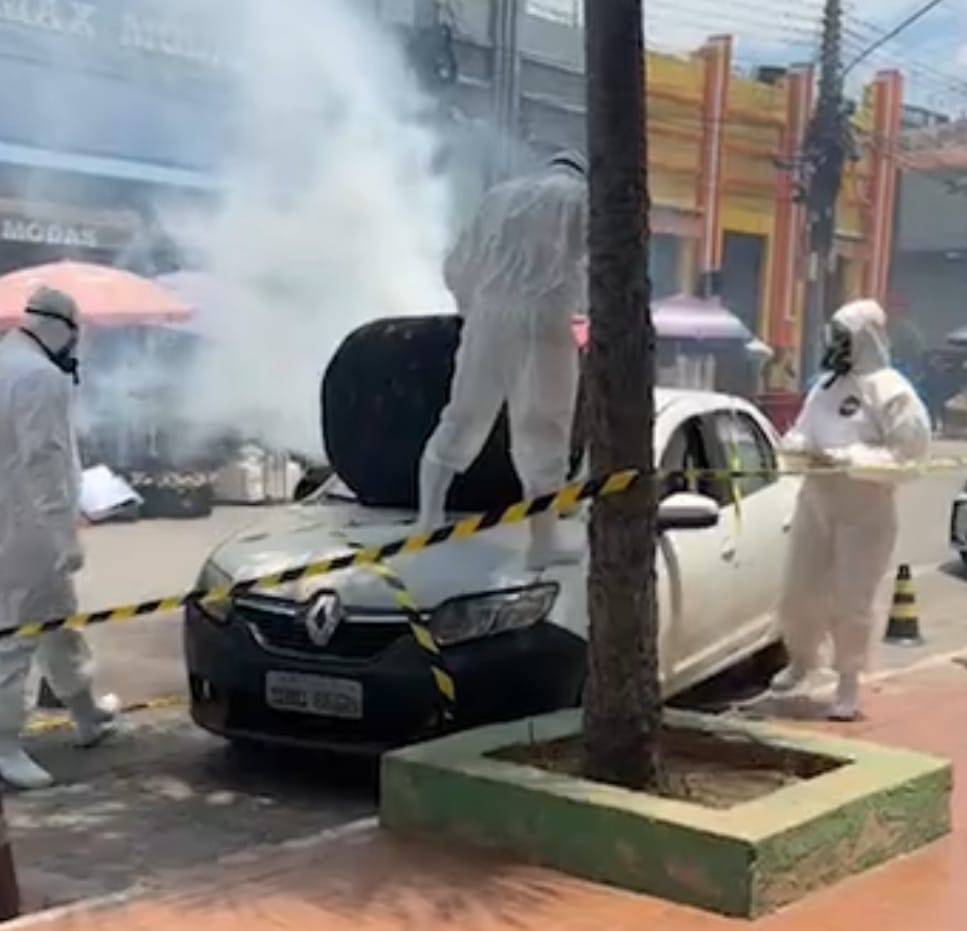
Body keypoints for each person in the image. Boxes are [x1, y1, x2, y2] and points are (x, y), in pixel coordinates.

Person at [417, 150, 589, 569]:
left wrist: (472, 312)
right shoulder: (582, 199)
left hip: (488, 317)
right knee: (543, 431)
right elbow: (598, 267)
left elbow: (457, 267)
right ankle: (542, 543)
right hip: (547, 319)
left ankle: (428, 520)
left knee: (460, 417)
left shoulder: (499, 196)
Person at [771, 298, 931, 721]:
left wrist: (851, 458)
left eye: (844, 338)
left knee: (851, 601)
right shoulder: (825, 388)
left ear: (864, 339)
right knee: (798, 592)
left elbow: (910, 458)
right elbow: (798, 436)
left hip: (865, 515)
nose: (835, 347)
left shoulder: (892, 392)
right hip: (816, 503)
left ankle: (848, 683)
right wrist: (802, 450)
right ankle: (802, 660)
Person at [0, 287, 118, 789]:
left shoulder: (6, 359)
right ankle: (3, 741)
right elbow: (44, 461)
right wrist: (61, 535)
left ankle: (86, 709)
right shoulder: (39, 377)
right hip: (29, 526)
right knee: (19, 632)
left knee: (56, 621)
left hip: (14, 517)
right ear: (64, 328)